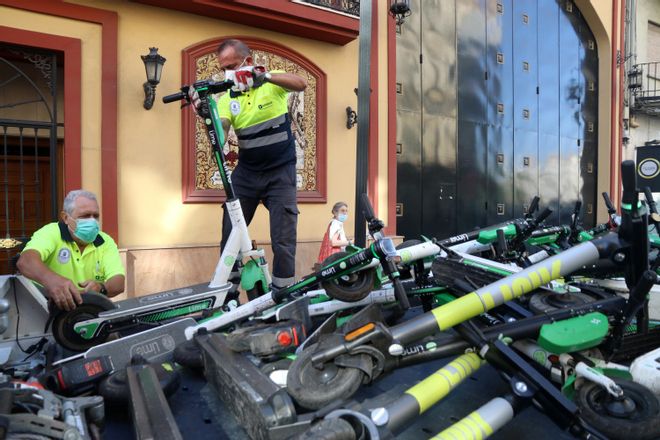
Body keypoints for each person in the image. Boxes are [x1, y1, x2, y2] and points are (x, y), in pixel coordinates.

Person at [189, 38, 307, 289]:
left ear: (249, 62)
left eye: (232, 65)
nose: (228, 72)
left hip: (280, 171)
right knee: (230, 229)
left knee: (283, 239)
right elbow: (220, 136)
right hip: (248, 173)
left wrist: (264, 77)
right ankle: (228, 290)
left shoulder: (270, 83)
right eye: (223, 68)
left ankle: (283, 291)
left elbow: (301, 83)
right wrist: (205, 114)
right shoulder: (226, 100)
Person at [17, 190, 125, 311]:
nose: (92, 221)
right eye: (85, 216)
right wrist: (52, 280)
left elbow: (118, 282)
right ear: (66, 218)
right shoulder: (51, 232)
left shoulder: (105, 241)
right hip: (44, 308)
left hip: (88, 310)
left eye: (95, 216)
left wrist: (101, 288)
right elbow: (25, 261)